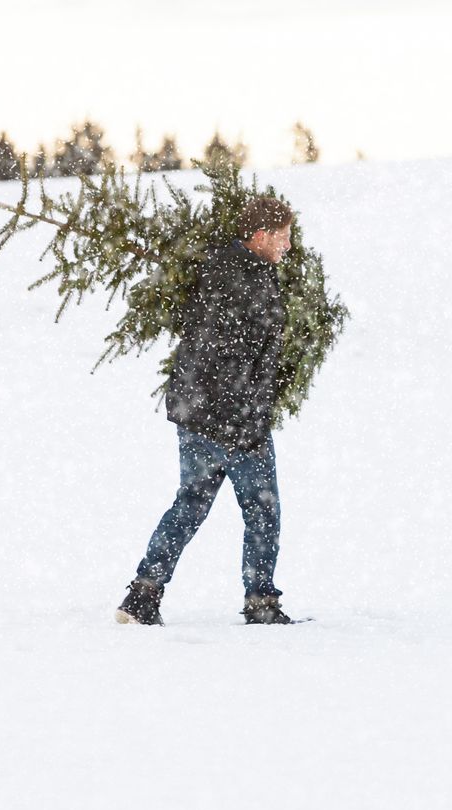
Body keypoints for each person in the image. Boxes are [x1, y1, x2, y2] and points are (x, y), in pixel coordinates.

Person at [115, 197, 298, 626]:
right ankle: (261, 602)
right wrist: (247, 418)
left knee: (190, 504)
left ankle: (144, 593)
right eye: (284, 238)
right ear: (260, 237)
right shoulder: (252, 282)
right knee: (262, 509)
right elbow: (235, 355)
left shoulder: (216, 268)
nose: (288, 246)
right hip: (231, 417)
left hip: (195, 412)